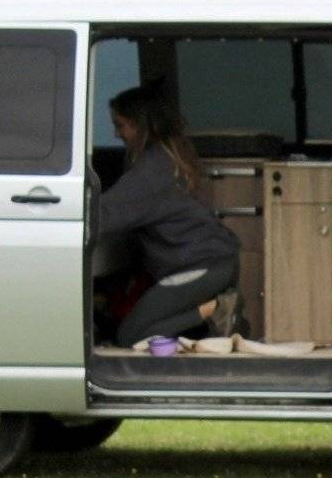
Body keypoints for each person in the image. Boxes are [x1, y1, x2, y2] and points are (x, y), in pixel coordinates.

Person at [96, 84, 241, 348]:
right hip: (216, 261)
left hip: (198, 266)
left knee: (132, 335)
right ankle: (212, 313)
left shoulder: (150, 173)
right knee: (154, 327)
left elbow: (104, 215)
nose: (116, 133)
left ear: (141, 125)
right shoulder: (171, 154)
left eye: (121, 125)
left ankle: (217, 310)